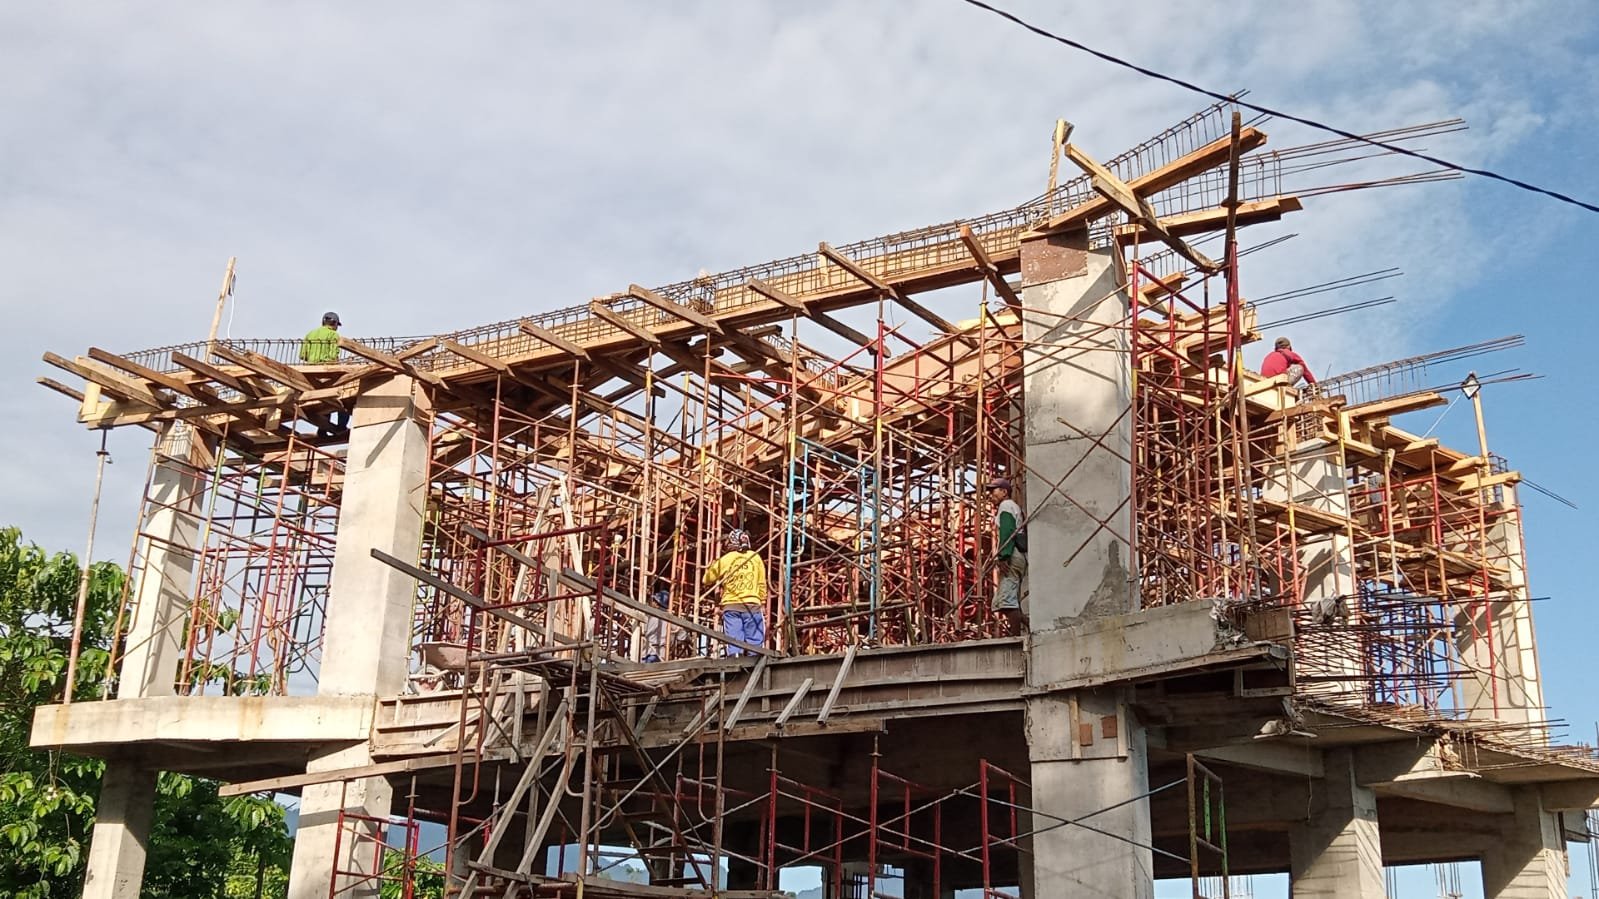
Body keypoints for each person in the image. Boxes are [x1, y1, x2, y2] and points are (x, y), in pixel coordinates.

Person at [703, 529, 766, 657]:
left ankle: (736, 661)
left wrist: (715, 564)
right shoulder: (756, 557)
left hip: (731, 605)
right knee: (755, 645)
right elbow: (762, 583)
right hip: (753, 605)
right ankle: (756, 663)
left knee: (734, 642)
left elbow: (706, 579)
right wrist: (762, 601)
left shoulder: (726, 559)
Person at [987, 477, 1027, 637]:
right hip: (1017, 555)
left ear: (1004, 492)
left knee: (1006, 602)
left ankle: (1016, 638)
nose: (990, 495)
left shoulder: (1006, 506)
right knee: (1002, 601)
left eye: (993, 491)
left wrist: (1004, 555)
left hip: (1012, 555)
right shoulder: (1012, 507)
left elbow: (1008, 531)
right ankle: (1028, 624)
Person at [300, 312, 349, 435]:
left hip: (311, 373)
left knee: (324, 399)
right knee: (343, 398)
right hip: (327, 371)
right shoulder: (333, 335)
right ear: (334, 323)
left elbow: (303, 355)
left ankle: (322, 429)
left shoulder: (310, 334)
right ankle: (341, 427)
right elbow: (333, 357)